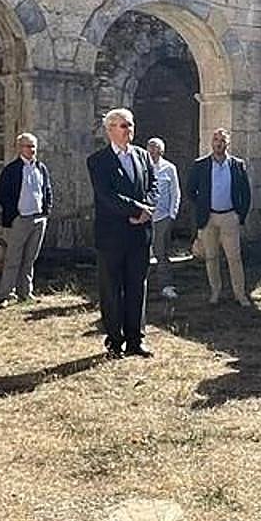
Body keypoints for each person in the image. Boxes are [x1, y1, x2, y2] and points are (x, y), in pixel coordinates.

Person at [87, 108, 158, 358]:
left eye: (131, 125)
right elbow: (107, 196)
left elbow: (153, 185)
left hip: (140, 234)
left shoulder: (142, 155)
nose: (129, 130)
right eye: (123, 126)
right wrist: (136, 208)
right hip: (112, 236)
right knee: (112, 289)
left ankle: (135, 339)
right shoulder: (98, 161)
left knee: (137, 287)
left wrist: (148, 208)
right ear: (110, 130)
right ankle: (115, 341)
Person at [187, 128, 252, 306]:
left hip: (230, 216)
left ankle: (240, 293)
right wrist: (202, 206)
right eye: (215, 140)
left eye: (222, 140)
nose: (218, 143)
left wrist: (241, 216)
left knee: (234, 257)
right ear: (211, 143)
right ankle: (215, 291)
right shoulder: (201, 165)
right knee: (211, 257)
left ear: (227, 143)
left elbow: (246, 193)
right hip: (209, 217)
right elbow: (190, 190)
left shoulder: (237, 165)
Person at [0, 133, 53, 303]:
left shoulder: (41, 168)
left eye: (34, 146)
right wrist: (14, 216)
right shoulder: (11, 170)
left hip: (38, 219)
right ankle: (5, 295)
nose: (32, 150)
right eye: (28, 146)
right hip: (20, 219)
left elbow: (47, 190)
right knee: (13, 259)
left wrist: (46, 211)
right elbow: (2, 196)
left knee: (30, 259)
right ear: (19, 148)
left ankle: (25, 293)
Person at [147, 137, 181, 300]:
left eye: (156, 148)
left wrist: (172, 214)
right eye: (150, 148)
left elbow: (175, 192)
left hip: (163, 217)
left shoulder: (169, 168)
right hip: (144, 217)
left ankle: (166, 285)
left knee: (161, 252)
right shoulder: (142, 166)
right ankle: (142, 286)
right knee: (142, 252)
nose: (152, 151)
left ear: (162, 151)